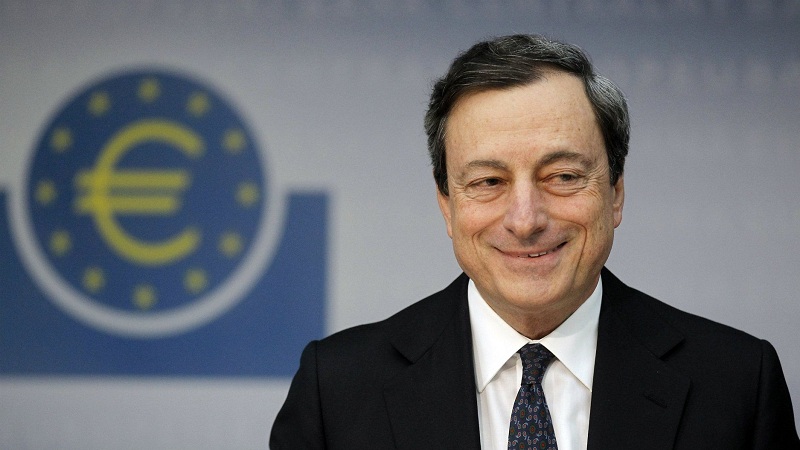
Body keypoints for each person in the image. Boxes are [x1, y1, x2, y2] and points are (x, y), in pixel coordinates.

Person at [270, 34, 799, 449]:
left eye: (563, 176)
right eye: (488, 182)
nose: (525, 220)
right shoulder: (337, 389)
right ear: (447, 205)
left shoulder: (736, 383)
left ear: (615, 194)